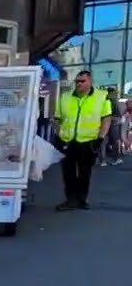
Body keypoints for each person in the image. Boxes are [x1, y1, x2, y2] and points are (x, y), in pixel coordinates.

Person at [56, 71, 112, 210]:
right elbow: (57, 118)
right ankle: (71, 199)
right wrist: (58, 135)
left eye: (82, 81)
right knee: (68, 173)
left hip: (89, 141)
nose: (79, 83)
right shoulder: (65, 97)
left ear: (90, 82)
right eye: (77, 81)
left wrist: (100, 138)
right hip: (68, 140)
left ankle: (82, 199)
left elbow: (106, 119)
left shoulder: (101, 97)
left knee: (84, 172)